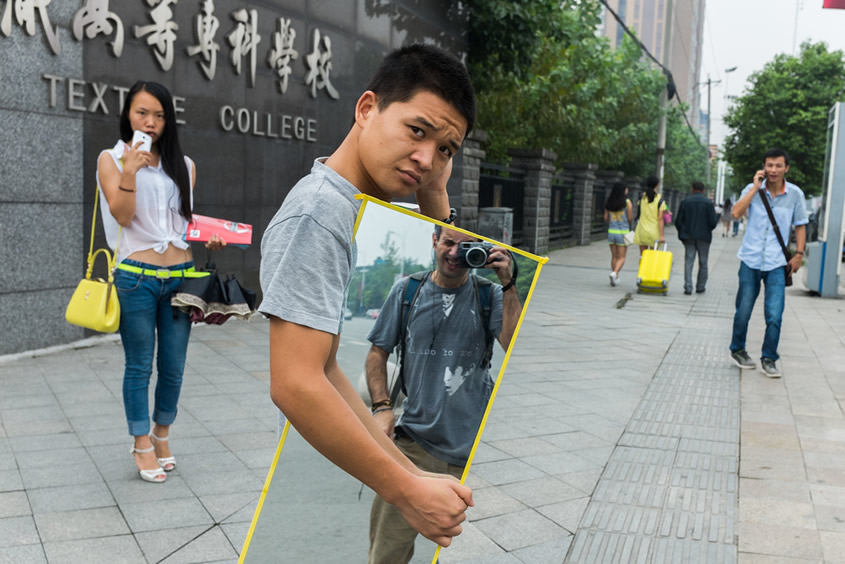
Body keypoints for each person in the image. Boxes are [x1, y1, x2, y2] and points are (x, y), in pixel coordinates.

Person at [259, 44, 477, 548]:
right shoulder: (319, 214)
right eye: (417, 131)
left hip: (331, 466)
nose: (427, 160)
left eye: (446, 150)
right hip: (307, 483)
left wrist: (409, 474)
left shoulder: (344, 205)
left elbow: (329, 368)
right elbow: (294, 383)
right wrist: (408, 490)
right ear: (366, 110)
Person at [365, 225, 523, 564]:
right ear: (434, 241)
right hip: (414, 446)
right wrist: (382, 408)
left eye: (466, 247)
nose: (455, 254)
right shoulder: (407, 291)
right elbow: (377, 353)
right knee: (386, 554)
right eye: (449, 243)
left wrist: (508, 284)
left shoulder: (490, 295)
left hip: (474, 449)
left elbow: (513, 346)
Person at [96, 81, 225, 483]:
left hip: (181, 275)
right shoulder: (111, 159)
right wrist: (130, 171)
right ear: (127, 115)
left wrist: (209, 237)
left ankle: (162, 433)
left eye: (159, 115)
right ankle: (140, 442)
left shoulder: (183, 166)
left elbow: (181, 226)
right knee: (139, 366)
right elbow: (121, 214)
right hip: (136, 277)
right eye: (142, 113)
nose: (150, 123)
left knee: (174, 366)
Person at [728, 149, 807, 377]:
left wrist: (799, 254)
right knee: (743, 310)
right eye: (769, 165)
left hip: (776, 263)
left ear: (786, 168)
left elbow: (800, 225)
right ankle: (738, 349)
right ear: (764, 167)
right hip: (750, 259)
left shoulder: (795, 194)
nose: (773, 170)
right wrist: (754, 188)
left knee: (775, 313)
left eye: (778, 166)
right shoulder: (752, 190)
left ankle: (769, 358)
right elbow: (735, 213)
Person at [674, 181, 720, 295]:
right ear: (703, 190)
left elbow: (678, 221)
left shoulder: (685, 202)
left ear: (692, 189)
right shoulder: (708, 203)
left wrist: (682, 234)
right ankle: (700, 286)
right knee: (703, 262)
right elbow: (713, 222)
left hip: (688, 236)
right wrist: (707, 229)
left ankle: (688, 287)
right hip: (704, 237)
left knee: (689, 261)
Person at [603, 182, 633, 286]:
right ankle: (615, 273)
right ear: (623, 190)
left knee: (614, 256)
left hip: (611, 232)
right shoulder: (627, 202)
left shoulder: (609, 202)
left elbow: (605, 218)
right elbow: (630, 218)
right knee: (622, 257)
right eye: (626, 189)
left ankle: (615, 277)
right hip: (623, 233)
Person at [632, 175, 667, 254]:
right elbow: (660, 219)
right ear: (657, 184)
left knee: (642, 257)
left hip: (642, 230)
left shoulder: (641, 197)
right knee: (652, 258)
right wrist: (662, 235)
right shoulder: (660, 199)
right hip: (654, 232)